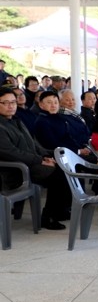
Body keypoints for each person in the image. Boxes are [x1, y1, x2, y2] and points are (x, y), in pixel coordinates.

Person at [0, 86, 71, 229]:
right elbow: (11, 153)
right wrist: (40, 160)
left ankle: (59, 210)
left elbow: (33, 144)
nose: (11, 106)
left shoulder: (16, 120)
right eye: (5, 103)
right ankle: (48, 216)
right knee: (58, 173)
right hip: (14, 170)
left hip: (30, 163)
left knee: (64, 165)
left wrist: (48, 155)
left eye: (13, 102)